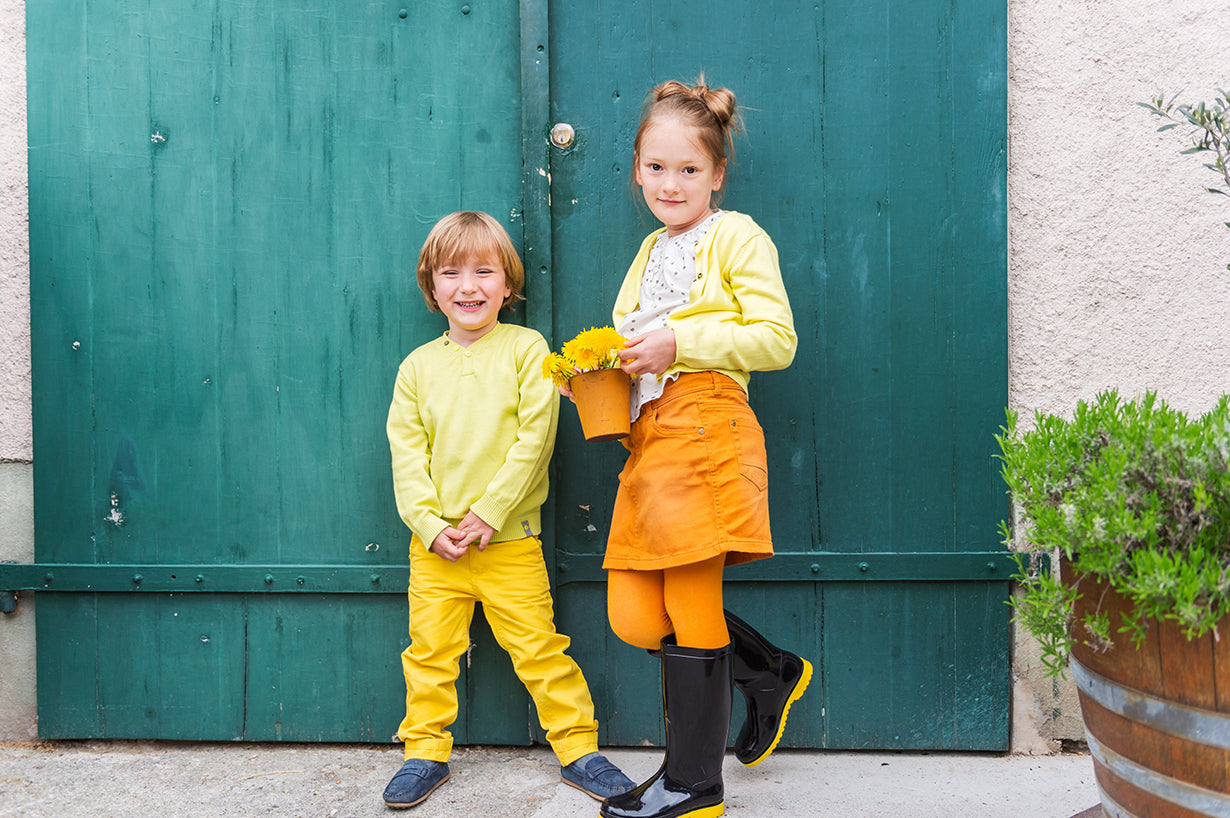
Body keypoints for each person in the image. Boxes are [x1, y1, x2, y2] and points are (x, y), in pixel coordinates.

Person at [595, 78, 813, 818]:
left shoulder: (735, 235)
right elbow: (638, 350)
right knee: (632, 615)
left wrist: (680, 341)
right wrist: (598, 380)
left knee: (692, 605)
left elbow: (776, 339)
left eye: (690, 169)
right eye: (656, 167)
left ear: (717, 173)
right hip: (653, 439)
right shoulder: (649, 250)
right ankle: (767, 672)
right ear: (636, 170)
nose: (671, 183)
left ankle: (693, 784)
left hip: (708, 427)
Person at [383, 211, 634, 809]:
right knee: (429, 654)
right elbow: (406, 457)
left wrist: (491, 513)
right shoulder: (417, 367)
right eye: (451, 273)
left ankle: (579, 749)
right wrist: (430, 525)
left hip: (510, 542)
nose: (468, 286)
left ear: (507, 283)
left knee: (541, 648)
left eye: (483, 272)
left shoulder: (526, 350)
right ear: (431, 285)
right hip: (436, 549)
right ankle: (425, 752)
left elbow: (535, 441)